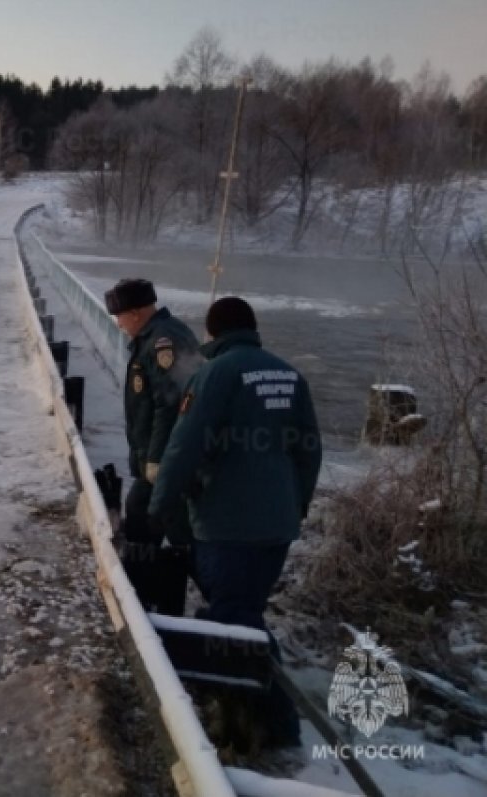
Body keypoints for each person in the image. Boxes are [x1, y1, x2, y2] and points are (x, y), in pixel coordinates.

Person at [149, 296, 323, 748]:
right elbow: (308, 451)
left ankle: (278, 723)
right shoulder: (289, 374)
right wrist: (294, 507)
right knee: (242, 611)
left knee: (234, 621)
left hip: (228, 524)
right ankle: (238, 711)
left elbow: (184, 447)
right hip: (277, 526)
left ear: (212, 333)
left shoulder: (215, 374)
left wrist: (159, 506)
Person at [104, 278, 201, 615]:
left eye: (120, 316)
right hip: (159, 460)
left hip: (165, 462)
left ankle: (149, 600)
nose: (117, 324)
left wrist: (157, 461)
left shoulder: (163, 341)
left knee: (154, 522)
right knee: (161, 525)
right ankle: (146, 596)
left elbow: (171, 404)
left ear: (136, 313)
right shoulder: (154, 337)